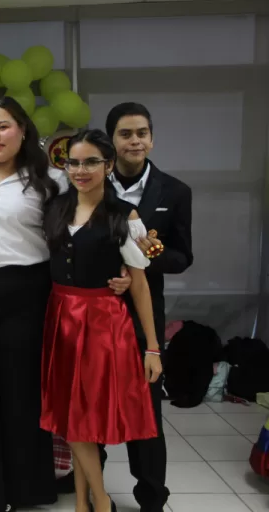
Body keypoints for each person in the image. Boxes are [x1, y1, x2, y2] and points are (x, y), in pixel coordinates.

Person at [0, 97, 131, 512]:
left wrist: (122, 268)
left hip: (27, 291)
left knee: (22, 392)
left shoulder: (49, 178)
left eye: (3, 126)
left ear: (23, 130)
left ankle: (25, 490)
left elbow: (85, 225)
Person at [40, 129, 163, 512]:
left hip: (103, 324)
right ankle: (82, 502)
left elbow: (140, 286)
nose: (81, 170)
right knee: (74, 417)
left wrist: (153, 347)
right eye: (73, 162)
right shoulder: (56, 208)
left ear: (108, 165)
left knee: (83, 419)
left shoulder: (124, 216)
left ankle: (101, 501)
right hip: (61, 319)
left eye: (91, 161)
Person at [97, 102, 194, 512]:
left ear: (151, 138)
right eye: (125, 134)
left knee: (146, 409)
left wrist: (148, 256)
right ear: (112, 141)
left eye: (141, 133)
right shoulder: (89, 185)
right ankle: (89, 485)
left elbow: (183, 257)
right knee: (94, 403)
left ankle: (152, 495)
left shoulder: (175, 192)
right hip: (95, 313)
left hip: (143, 317)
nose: (134, 140)